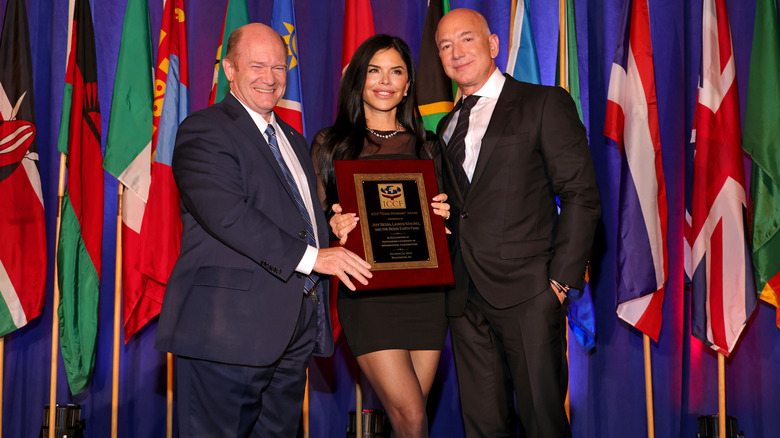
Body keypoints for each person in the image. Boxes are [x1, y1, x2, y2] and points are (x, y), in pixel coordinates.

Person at [155, 23, 372, 437]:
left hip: (292, 332)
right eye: (257, 66)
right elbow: (229, 216)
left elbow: (293, 218)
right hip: (226, 334)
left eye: (278, 67)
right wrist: (315, 257)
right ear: (229, 69)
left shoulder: (291, 137)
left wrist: (333, 227)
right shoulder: (203, 130)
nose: (270, 78)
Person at [434, 9, 601, 438]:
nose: (456, 53)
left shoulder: (543, 103)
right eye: (445, 46)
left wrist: (559, 284)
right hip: (464, 297)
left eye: (466, 40)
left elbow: (581, 195)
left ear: (492, 44)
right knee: (483, 426)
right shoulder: (446, 126)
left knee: (544, 422)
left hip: (530, 293)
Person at [311, 34, 451, 438]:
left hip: (426, 295)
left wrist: (443, 217)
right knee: (411, 417)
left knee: (408, 417)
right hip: (369, 296)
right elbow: (312, 223)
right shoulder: (330, 145)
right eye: (374, 70)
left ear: (408, 85)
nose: (384, 80)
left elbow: (448, 219)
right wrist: (331, 227)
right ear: (358, 80)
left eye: (396, 72)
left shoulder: (428, 146)